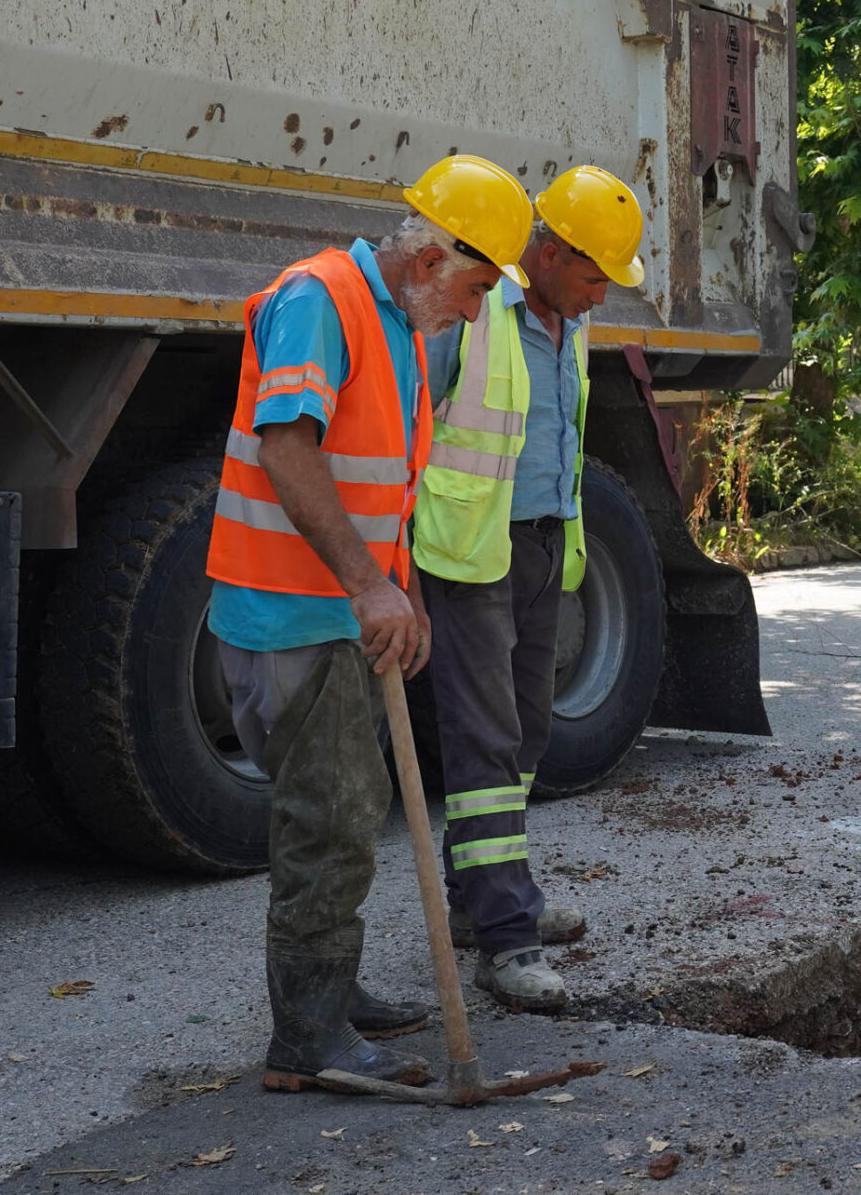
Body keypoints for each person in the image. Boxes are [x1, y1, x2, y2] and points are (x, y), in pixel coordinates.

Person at [205, 154, 529, 1093]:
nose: (476, 313)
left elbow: (381, 480)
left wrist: (403, 590)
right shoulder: (320, 299)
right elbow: (288, 448)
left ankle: (330, 993)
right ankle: (304, 1040)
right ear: (431, 260)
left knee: (350, 809)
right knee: (331, 820)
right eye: (475, 288)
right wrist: (368, 586)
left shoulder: (392, 324)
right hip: (289, 614)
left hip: (337, 611)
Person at [413, 165, 646, 1012]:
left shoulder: (568, 324)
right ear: (546, 254)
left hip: (545, 544)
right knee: (484, 741)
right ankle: (506, 940)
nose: (601, 295)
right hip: (473, 550)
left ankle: (484, 901)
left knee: (525, 732)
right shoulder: (475, 312)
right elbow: (412, 426)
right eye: (593, 276)